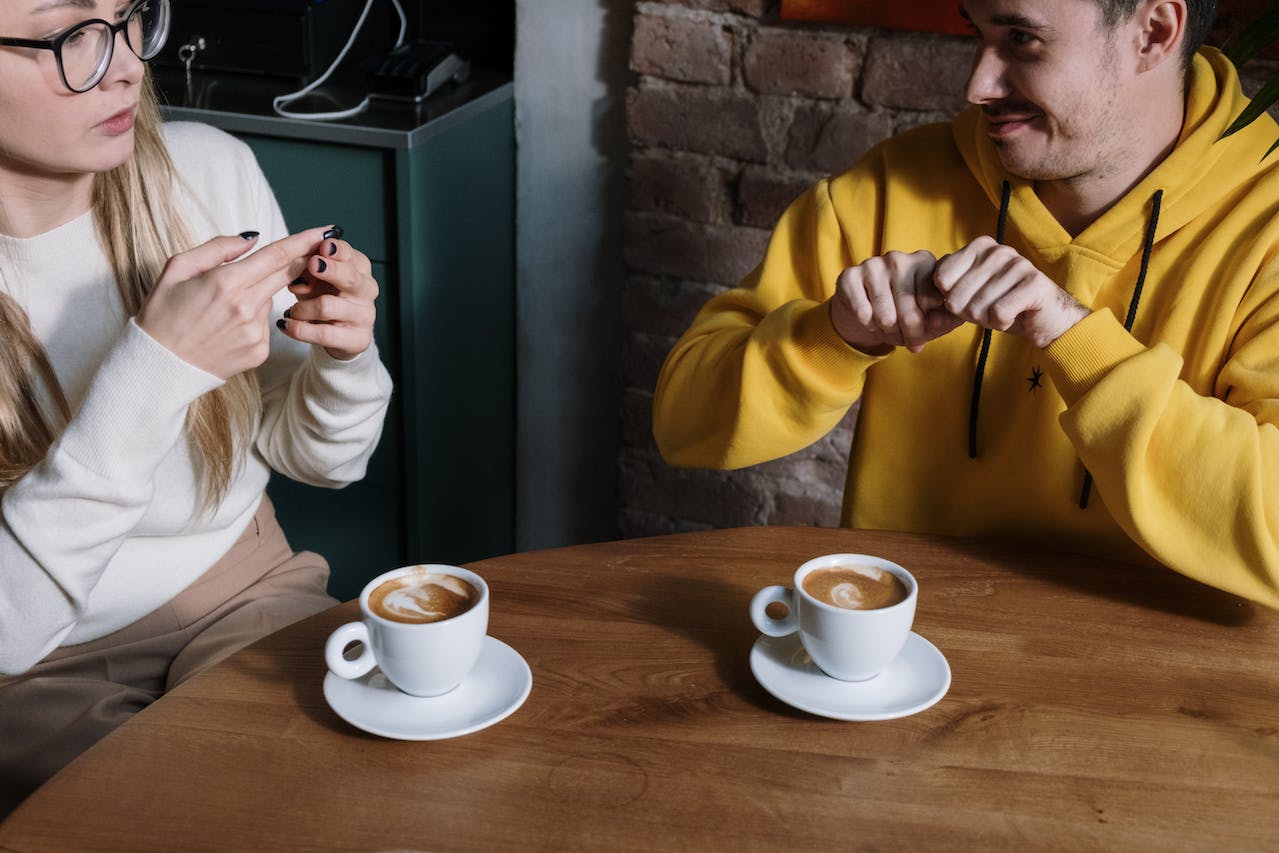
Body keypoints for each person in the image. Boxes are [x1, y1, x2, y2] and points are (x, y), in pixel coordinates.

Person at [654, 0, 1279, 610]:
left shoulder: (1267, 224)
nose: (977, 84)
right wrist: (834, 336)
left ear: (1153, 31)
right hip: (907, 659)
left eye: (1021, 39)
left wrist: (1079, 343)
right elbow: (684, 425)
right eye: (975, 33)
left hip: (1163, 690)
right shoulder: (888, 186)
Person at [0, 0, 393, 815]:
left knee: (367, 797)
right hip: (37, 667)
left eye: (129, 16)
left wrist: (344, 358)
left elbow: (326, 461)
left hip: (248, 585)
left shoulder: (205, 171)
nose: (124, 66)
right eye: (70, 34)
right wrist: (154, 368)